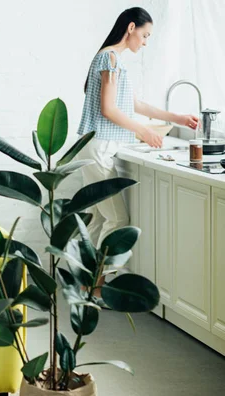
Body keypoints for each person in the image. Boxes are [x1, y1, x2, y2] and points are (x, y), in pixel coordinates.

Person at [77, 7, 198, 249]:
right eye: (145, 36)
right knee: (117, 219)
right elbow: (108, 109)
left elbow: (135, 105)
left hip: (94, 148)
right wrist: (142, 131)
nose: (144, 43)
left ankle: (84, 285)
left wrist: (177, 118)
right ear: (131, 28)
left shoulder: (112, 59)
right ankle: (95, 286)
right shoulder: (109, 58)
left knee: (99, 217)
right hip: (99, 148)